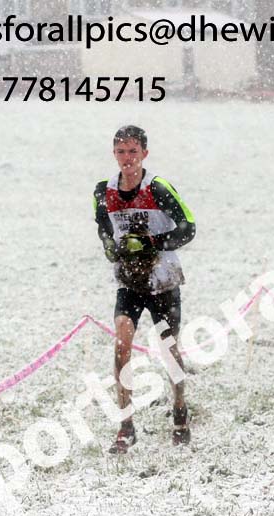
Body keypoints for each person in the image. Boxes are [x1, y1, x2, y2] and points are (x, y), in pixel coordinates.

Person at [93, 125, 196, 453]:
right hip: (130, 281)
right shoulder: (103, 190)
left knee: (169, 349)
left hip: (163, 280)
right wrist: (110, 243)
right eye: (121, 152)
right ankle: (126, 425)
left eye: (133, 152)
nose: (127, 158)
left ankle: (180, 410)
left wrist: (152, 243)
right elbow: (103, 225)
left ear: (144, 154)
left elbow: (188, 226)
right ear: (114, 154)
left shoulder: (158, 188)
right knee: (121, 345)